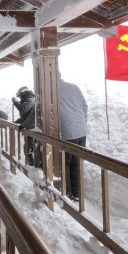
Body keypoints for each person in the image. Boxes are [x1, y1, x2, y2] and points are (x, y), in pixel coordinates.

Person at [58, 70, 88, 202]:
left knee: (65, 163)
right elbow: (85, 106)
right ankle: (77, 193)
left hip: (68, 132)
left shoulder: (51, 89)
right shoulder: (74, 87)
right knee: (77, 162)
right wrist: (82, 122)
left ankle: (68, 193)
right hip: (82, 130)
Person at [12, 86, 36, 166]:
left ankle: (31, 165)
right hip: (29, 127)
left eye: (20, 96)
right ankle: (30, 164)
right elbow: (26, 115)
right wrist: (18, 121)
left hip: (31, 128)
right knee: (28, 147)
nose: (19, 98)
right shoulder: (28, 99)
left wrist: (15, 102)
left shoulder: (29, 100)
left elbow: (23, 109)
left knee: (29, 147)